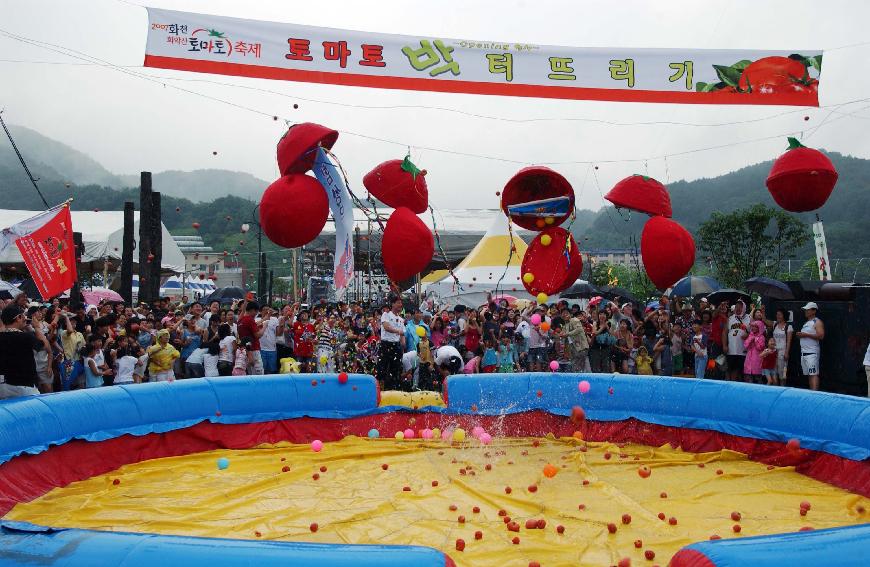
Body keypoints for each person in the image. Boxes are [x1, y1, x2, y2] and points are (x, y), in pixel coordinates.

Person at [0, 305, 48, 399]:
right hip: (24, 385)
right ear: (18, 318)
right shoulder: (26, 337)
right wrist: (37, 328)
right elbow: (44, 346)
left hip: (3, 386)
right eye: (23, 316)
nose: (25, 319)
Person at [378, 297, 405, 391]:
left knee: (396, 370)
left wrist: (403, 346)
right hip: (386, 345)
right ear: (393, 304)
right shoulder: (386, 315)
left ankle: (394, 390)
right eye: (398, 303)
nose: (400, 305)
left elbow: (402, 335)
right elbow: (386, 327)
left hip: (396, 346)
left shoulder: (401, 319)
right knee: (382, 368)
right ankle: (380, 390)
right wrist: (398, 331)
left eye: (401, 303)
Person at [796, 302, 824, 391]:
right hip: (804, 352)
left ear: (814, 311)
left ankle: (815, 394)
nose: (806, 311)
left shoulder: (817, 321)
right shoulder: (806, 323)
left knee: (813, 374)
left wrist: (805, 335)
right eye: (806, 310)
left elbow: (821, 336)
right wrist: (801, 335)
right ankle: (811, 393)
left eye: (808, 310)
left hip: (812, 352)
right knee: (809, 374)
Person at [724, 300, 751, 381]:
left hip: (743, 350)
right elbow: (724, 333)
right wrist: (725, 345)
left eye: (740, 307)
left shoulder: (749, 318)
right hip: (731, 349)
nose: (737, 309)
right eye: (736, 307)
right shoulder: (730, 318)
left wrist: (748, 335)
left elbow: (755, 332)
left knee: (740, 370)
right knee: (730, 369)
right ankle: (730, 385)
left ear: (744, 308)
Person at [236, 300, 264, 375]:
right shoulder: (249, 320)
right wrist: (264, 327)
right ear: (252, 310)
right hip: (253, 349)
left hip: (246, 350)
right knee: (259, 375)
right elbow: (257, 335)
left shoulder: (240, 320)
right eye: (256, 312)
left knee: (251, 373)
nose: (256, 314)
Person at [771, 308, 793, 387]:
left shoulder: (788, 326)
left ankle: (782, 389)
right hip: (773, 353)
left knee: (783, 374)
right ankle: (775, 390)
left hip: (782, 353)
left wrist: (786, 353)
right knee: (774, 373)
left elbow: (789, 341)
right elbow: (765, 320)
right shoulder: (775, 325)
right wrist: (762, 312)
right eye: (777, 314)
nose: (778, 316)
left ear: (784, 316)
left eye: (779, 314)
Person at [743, 320, 767, 384]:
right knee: (748, 379)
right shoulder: (750, 335)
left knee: (758, 379)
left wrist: (755, 341)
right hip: (749, 361)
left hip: (757, 361)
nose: (753, 328)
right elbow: (745, 345)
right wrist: (750, 340)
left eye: (755, 327)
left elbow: (760, 347)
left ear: (760, 328)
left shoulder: (762, 337)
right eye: (752, 326)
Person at [258, 306, 280, 374]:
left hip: (272, 349)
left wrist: (281, 325)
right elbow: (256, 327)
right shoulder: (256, 320)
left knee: (271, 370)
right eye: (265, 310)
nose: (267, 311)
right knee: (262, 370)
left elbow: (278, 333)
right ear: (260, 311)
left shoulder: (274, 319)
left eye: (268, 310)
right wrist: (265, 318)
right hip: (261, 349)